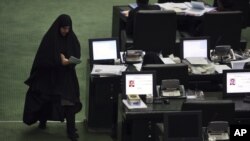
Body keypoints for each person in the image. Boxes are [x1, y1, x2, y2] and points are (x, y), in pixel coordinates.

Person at [23, 14, 82, 141]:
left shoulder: (71, 38)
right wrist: (59, 61)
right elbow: (42, 58)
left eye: (68, 28)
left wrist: (67, 62)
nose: (66, 31)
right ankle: (42, 122)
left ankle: (71, 131)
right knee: (45, 99)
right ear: (58, 27)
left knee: (69, 102)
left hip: (66, 76)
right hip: (49, 76)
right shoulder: (50, 39)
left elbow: (76, 55)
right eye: (64, 28)